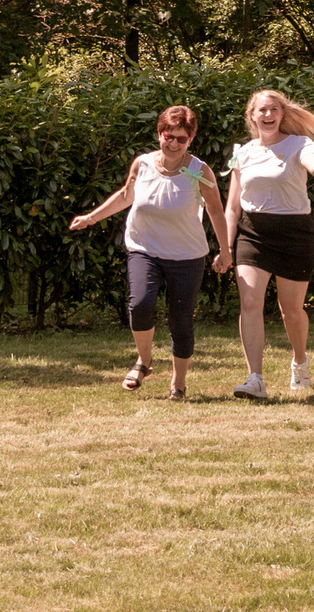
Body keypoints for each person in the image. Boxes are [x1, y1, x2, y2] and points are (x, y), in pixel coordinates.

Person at [68, 104, 226, 399]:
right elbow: (127, 195)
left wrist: (225, 251)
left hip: (186, 254)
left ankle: (178, 384)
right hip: (144, 248)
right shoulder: (142, 164)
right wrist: (91, 217)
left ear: (190, 140)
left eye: (182, 138)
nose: (174, 143)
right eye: (169, 136)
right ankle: (145, 360)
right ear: (159, 134)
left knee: (180, 320)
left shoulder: (199, 171)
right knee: (140, 305)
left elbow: (216, 211)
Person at [224, 89, 314, 399]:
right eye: (262, 110)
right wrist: (226, 245)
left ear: (282, 114)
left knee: (291, 311)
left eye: (274, 109)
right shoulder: (243, 152)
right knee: (249, 303)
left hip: (294, 234)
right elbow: (232, 207)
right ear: (252, 115)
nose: (268, 114)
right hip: (253, 233)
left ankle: (299, 359)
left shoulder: (299, 144)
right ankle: (255, 378)